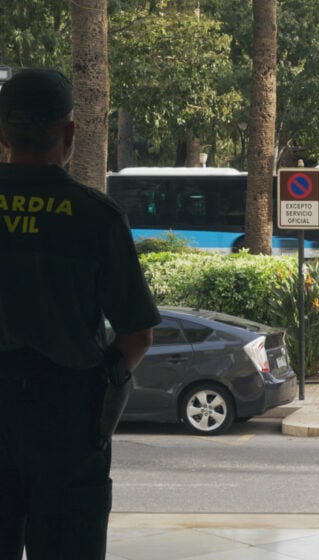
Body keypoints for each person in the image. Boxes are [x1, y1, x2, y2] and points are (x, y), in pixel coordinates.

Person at [0, 69, 159, 559]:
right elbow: (137, 335)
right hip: (67, 420)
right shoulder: (96, 218)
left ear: (1, 132)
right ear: (69, 134)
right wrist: (97, 391)